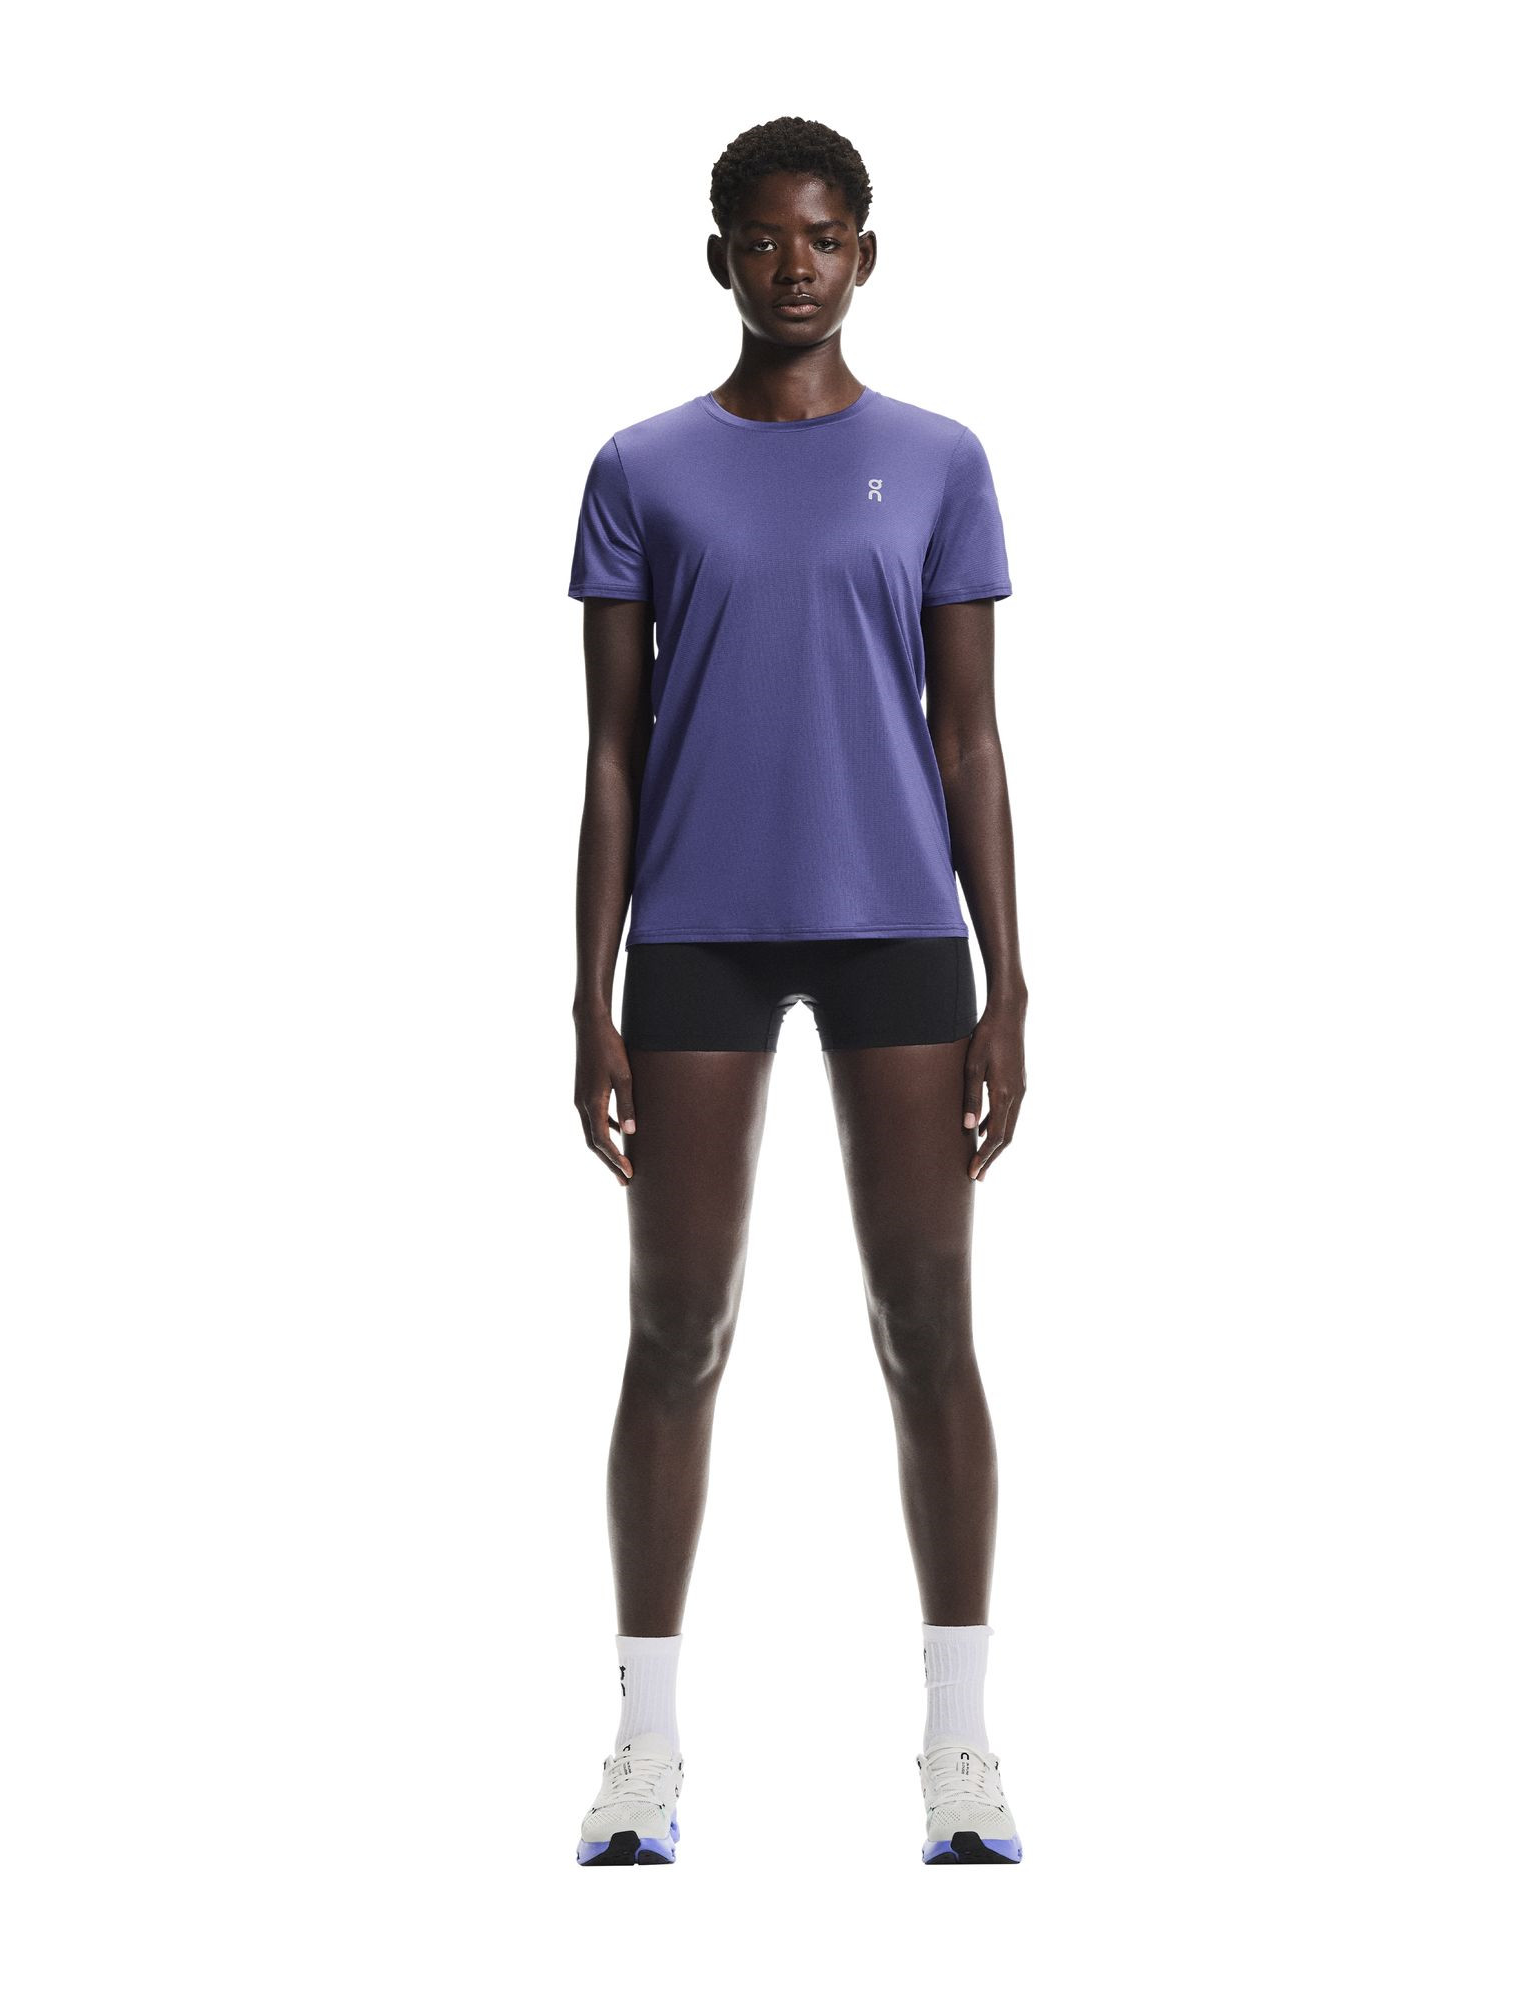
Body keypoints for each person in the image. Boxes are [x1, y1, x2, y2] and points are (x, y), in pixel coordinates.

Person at [567, 116, 1029, 1866]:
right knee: (676, 1330)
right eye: (763, 239)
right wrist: (588, 992)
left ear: (865, 254)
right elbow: (613, 754)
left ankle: (961, 1747)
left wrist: (1010, 984)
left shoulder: (940, 462)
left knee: (927, 1327)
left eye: (823, 236)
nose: (794, 266)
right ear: (720, 258)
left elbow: (971, 739)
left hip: (898, 926)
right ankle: (644, 1748)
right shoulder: (642, 469)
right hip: (696, 931)